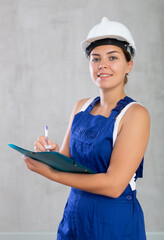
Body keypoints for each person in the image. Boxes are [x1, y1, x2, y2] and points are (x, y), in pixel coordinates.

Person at [24, 17, 150, 239]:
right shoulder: (81, 107)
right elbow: (66, 160)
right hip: (75, 216)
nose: (102, 65)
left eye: (113, 57)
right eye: (95, 59)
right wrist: (50, 155)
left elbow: (114, 185)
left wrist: (51, 174)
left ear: (129, 64)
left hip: (112, 222)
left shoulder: (135, 115)